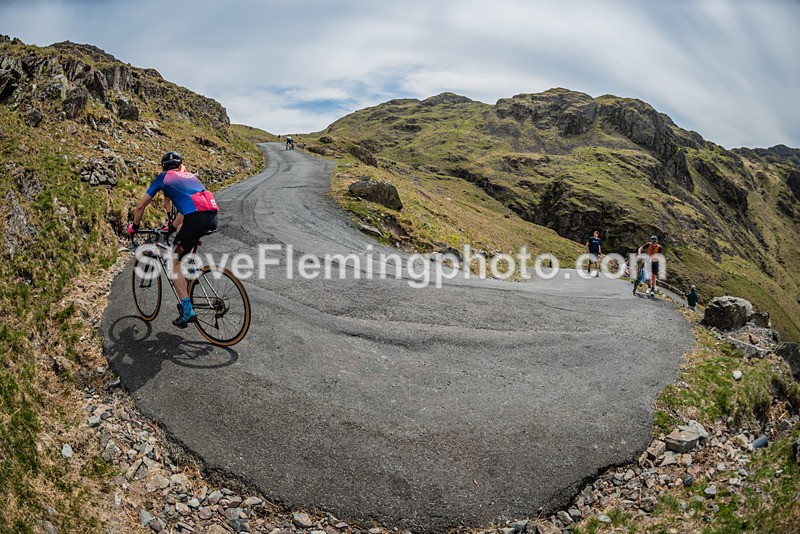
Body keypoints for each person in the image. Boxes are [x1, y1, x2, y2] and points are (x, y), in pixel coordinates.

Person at [127, 151, 219, 327]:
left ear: (163, 167)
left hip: (195, 219)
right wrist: (170, 228)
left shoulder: (163, 178)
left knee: (173, 263)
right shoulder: (190, 176)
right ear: (180, 165)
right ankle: (190, 273)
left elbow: (140, 206)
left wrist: (135, 227)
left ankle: (187, 311)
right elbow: (187, 210)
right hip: (212, 216)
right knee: (183, 238)